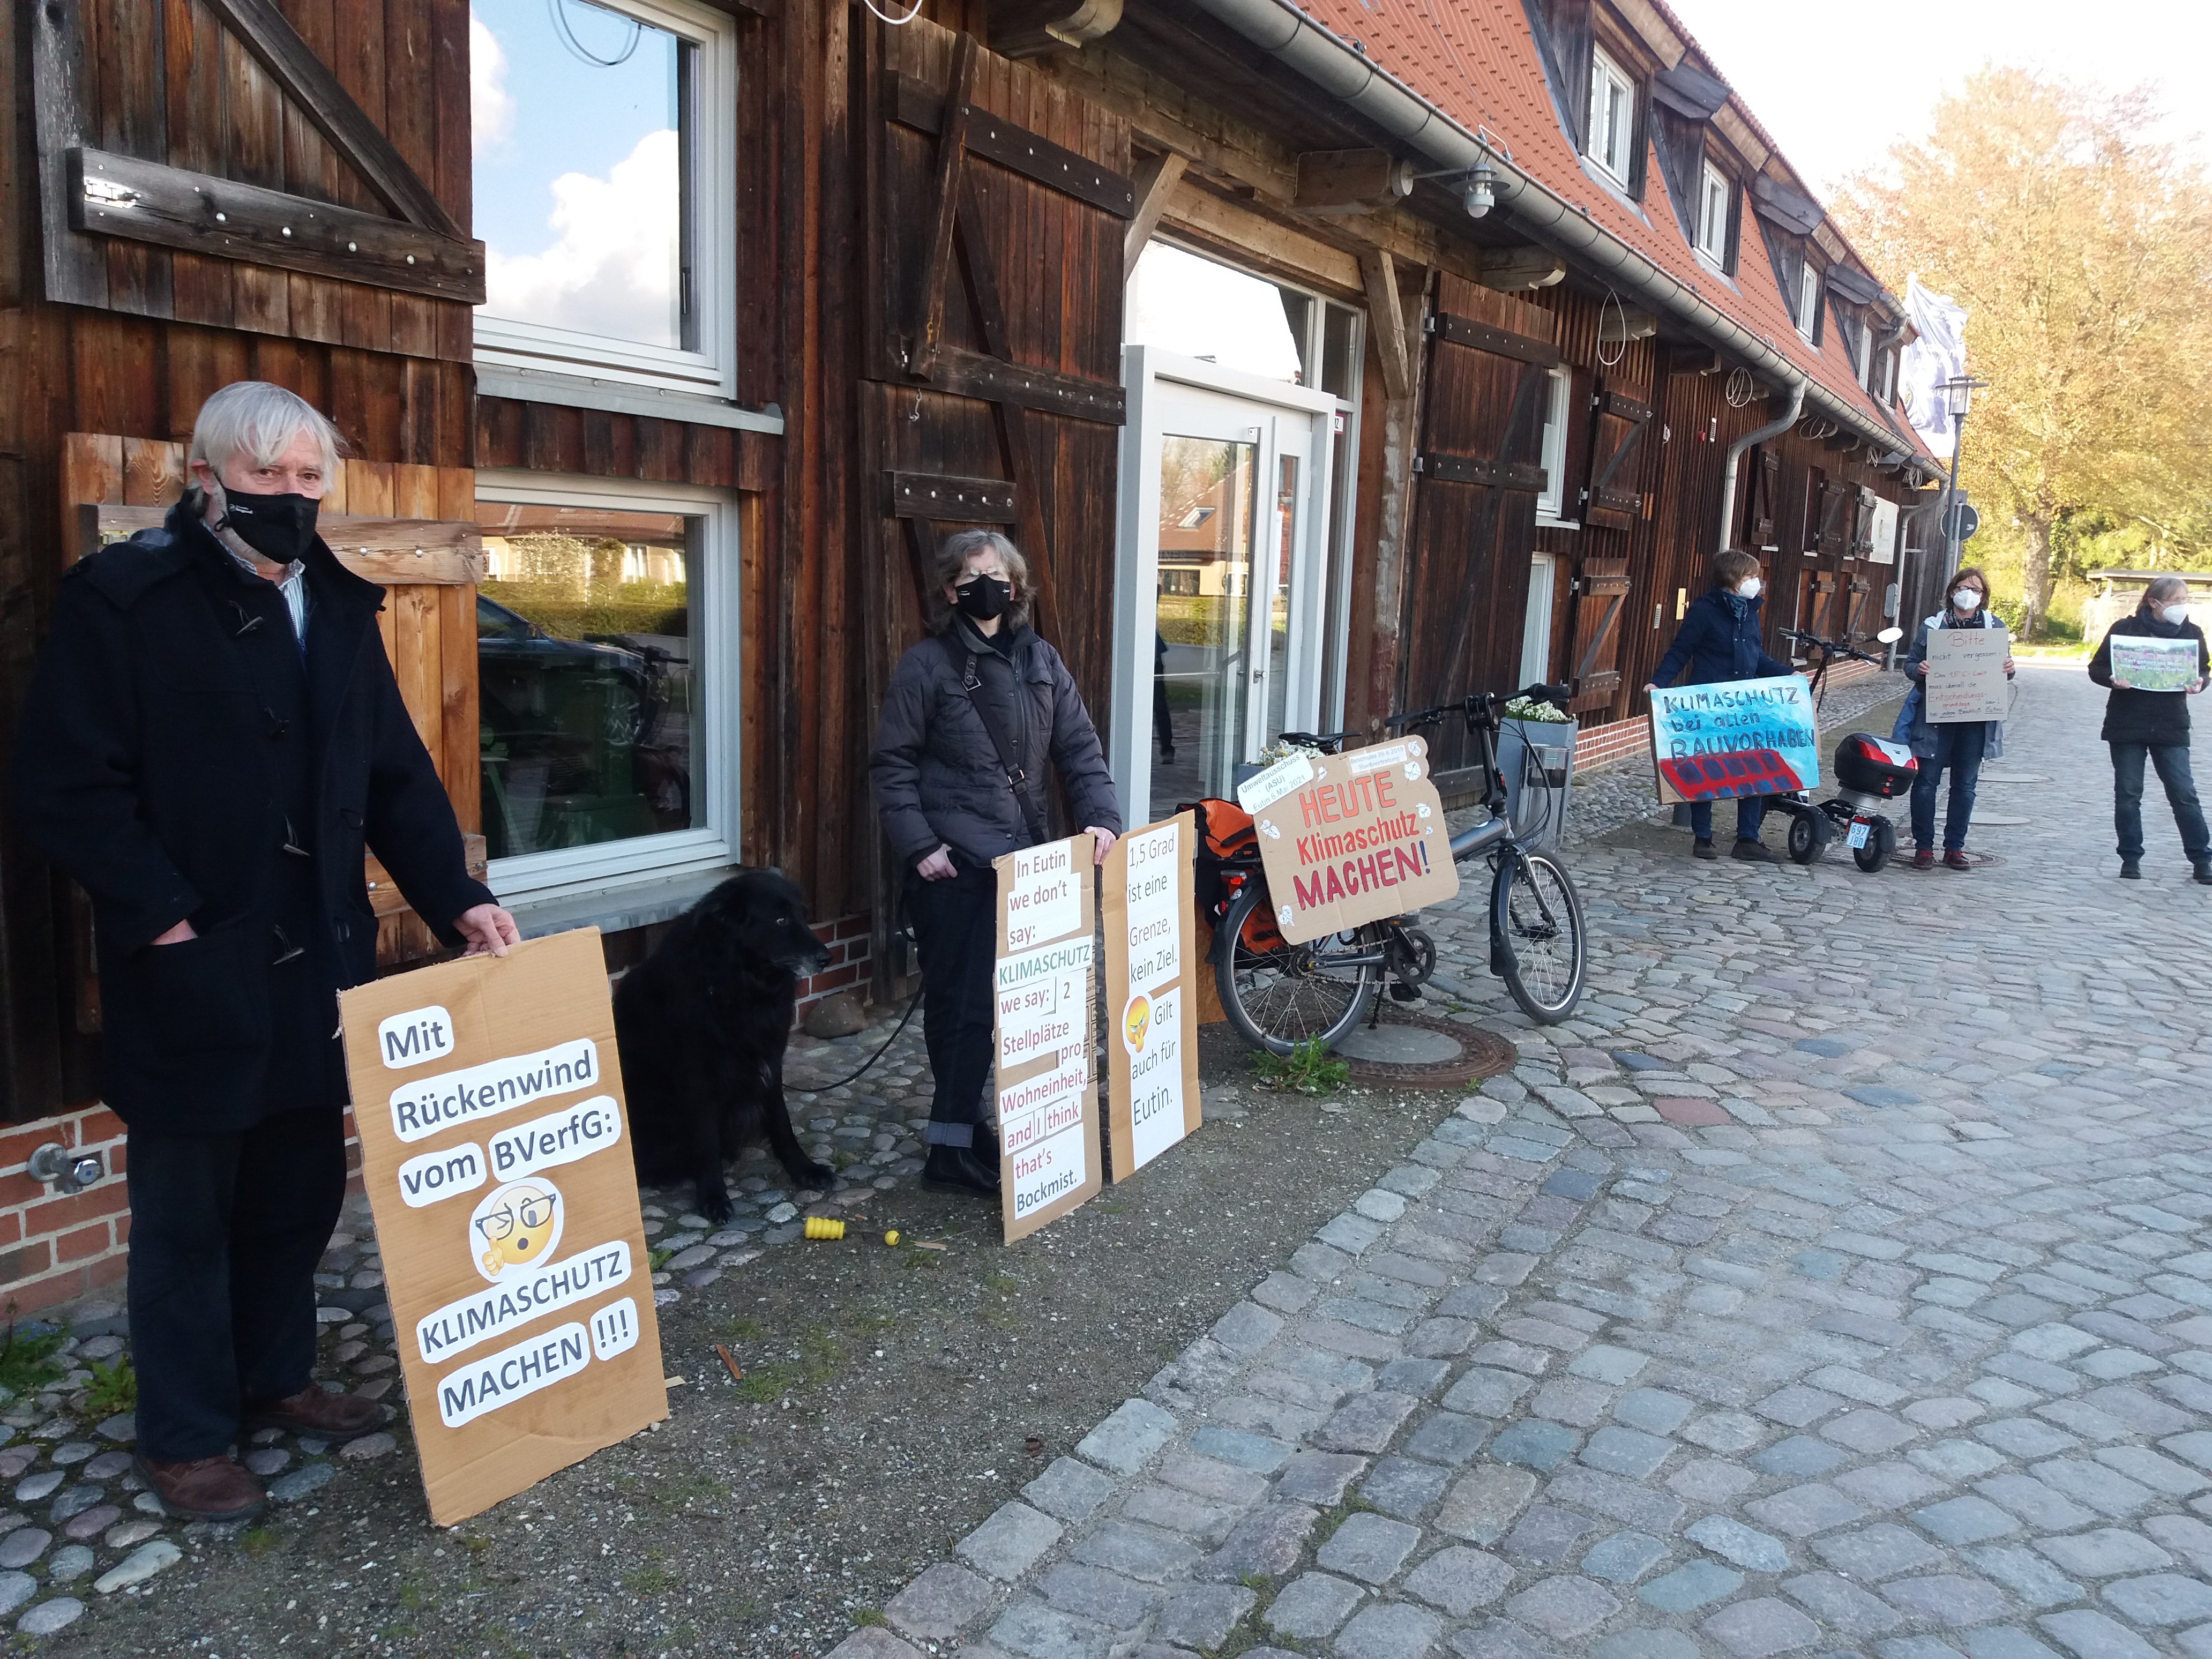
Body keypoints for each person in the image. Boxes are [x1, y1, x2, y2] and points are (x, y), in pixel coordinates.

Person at [10, 383, 517, 1520]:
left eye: (307, 478)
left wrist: (458, 898)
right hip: (193, 961)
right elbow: (64, 786)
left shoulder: (336, 605)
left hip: (319, 965)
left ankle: (275, 1376)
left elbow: (393, 773)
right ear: (206, 481)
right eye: (264, 477)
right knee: (189, 1213)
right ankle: (187, 1434)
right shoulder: (126, 601)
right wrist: (165, 918)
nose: (290, 497)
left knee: (295, 1193)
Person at [870, 530, 1120, 1198]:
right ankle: (948, 1150)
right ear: (951, 591)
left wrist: (1101, 817)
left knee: (999, 1008)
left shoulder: (1042, 659)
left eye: (999, 575)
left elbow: (1078, 747)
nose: (988, 586)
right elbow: (892, 766)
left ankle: (965, 1126)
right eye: (972, 577)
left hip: (1024, 866)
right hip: (954, 869)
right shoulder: (926, 666)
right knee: (958, 1005)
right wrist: (921, 847)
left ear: (1016, 586)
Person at [1647, 549, 1793, 862]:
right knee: (1707, 766)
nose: (1756, 582)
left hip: (1746, 704)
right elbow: (1680, 651)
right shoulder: (1705, 611)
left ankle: (1748, 839)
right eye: (1750, 577)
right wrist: (1659, 682)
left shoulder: (1750, 613)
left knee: (1755, 765)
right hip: (1709, 702)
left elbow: (1756, 658)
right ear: (1734, 579)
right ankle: (1703, 837)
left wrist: (1788, 674)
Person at [2087, 573, 2211, 882]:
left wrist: (2200, 682)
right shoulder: (2125, 630)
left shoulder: (2191, 633)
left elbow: (2203, 669)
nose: (2182, 606)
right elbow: (2097, 667)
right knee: (2128, 793)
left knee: (2184, 793)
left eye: (2185, 600)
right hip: (2128, 723)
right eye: (2175, 601)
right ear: (2154, 602)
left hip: (2171, 725)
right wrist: (2112, 679)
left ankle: (2202, 859)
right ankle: (2130, 857)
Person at [1900, 565, 2014, 870]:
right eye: (1964, 587)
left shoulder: (1994, 627)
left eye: (1976, 590)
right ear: (1952, 592)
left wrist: (2008, 668)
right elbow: (1910, 665)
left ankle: (1954, 848)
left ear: (1984, 595)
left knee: (1965, 785)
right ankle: (1923, 847)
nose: (1969, 594)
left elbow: (2005, 668)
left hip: (1976, 719)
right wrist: (1919, 670)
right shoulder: (1934, 626)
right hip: (1936, 716)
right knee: (1926, 782)